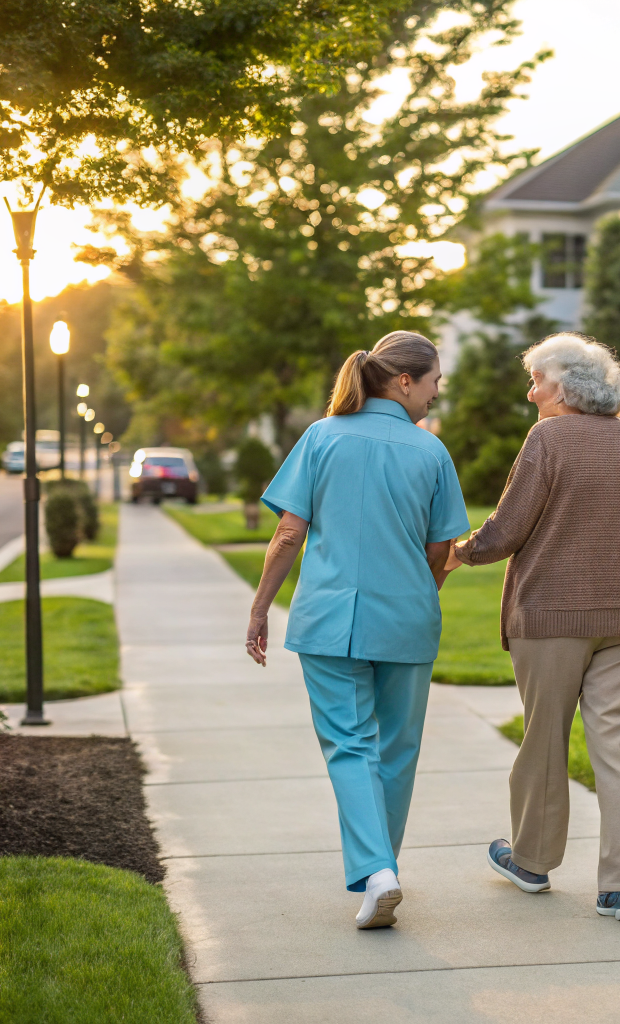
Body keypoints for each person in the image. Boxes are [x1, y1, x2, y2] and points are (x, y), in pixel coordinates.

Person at [446, 333, 620, 922]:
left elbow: (508, 526)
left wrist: (459, 553)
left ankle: (531, 862)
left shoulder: (548, 439)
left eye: (539, 382)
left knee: (544, 737)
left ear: (570, 386)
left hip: (551, 616)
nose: (532, 395)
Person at [245, 331, 469, 930]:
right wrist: (419, 596)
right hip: (409, 619)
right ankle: (382, 871)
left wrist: (261, 607)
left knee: (350, 745)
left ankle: (378, 871)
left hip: (329, 620)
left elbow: (289, 534)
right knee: (397, 750)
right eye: (434, 382)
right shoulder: (431, 453)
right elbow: (441, 547)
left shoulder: (320, 437)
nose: (436, 393)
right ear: (404, 381)